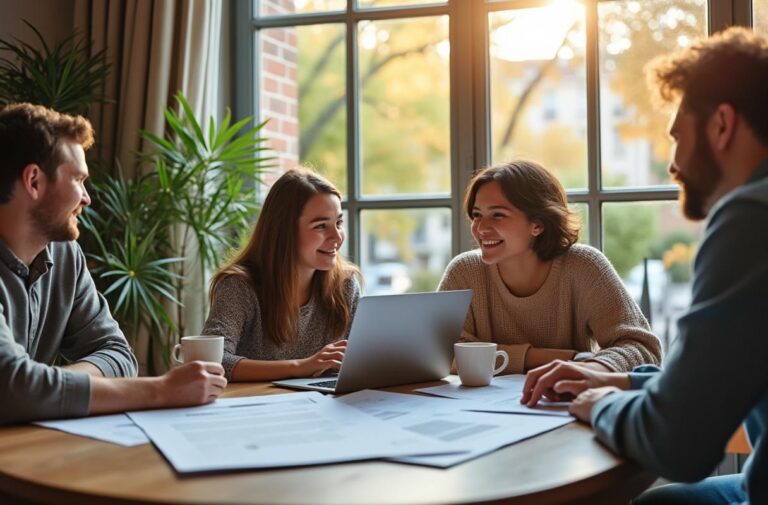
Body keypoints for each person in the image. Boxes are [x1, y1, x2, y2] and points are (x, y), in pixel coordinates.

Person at [521, 26, 768, 505]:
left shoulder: (750, 218)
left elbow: (679, 443)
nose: (673, 163)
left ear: (722, 125)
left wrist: (602, 404)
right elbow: (720, 375)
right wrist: (619, 379)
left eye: (678, 136)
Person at [0, 103, 227, 425]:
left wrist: (43, 384)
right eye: (78, 179)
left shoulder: (66, 256)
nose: (87, 197)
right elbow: (13, 388)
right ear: (34, 181)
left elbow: (118, 353)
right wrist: (161, 390)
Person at [438, 160, 662, 375]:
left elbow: (643, 349)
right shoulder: (464, 271)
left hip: (563, 404)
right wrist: (551, 358)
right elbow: (439, 353)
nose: (481, 228)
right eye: (477, 215)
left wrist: (591, 369)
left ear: (538, 224)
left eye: (498, 215)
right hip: (475, 409)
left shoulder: (584, 266)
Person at [202, 168, 361, 382]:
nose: (337, 237)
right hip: (257, 407)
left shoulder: (345, 285)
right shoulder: (239, 286)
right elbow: (213, 360)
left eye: (339, 223)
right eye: (321, 226)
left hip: (327, 406)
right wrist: (300, 367)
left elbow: (362, 357)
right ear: (284, 231)